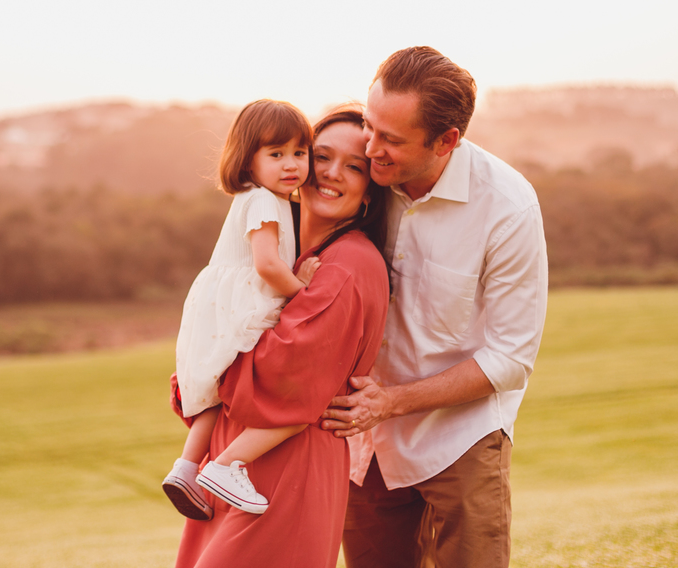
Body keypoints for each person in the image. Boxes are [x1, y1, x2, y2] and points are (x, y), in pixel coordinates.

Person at [323, 47, 549, 568]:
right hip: (366, 441)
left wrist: (392, 402)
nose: (370, 148)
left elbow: (511, 359)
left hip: (461, 436)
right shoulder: (360, 181)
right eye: (368, 125)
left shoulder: (508, 207)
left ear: (448, 141)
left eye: (392, 140)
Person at [172, 107, 391, 568]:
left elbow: (281, 376)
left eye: (355, 166)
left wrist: (211, 366)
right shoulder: (287, 249)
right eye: (321, 156)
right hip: (234, 470)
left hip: (285, 467)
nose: (330, 173)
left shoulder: (347, 264)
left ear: (371, 192)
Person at [163, 99, 323, 518]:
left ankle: (185, 467)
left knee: (218, 391)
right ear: (248, 161)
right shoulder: (266, 202)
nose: (291, 164)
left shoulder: (258, 198)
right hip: (243, 303)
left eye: (299, 153)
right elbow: (268, 264)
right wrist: (302, 292)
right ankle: (227, 465)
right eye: (276, 154)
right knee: (278, 394)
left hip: (217, 303)